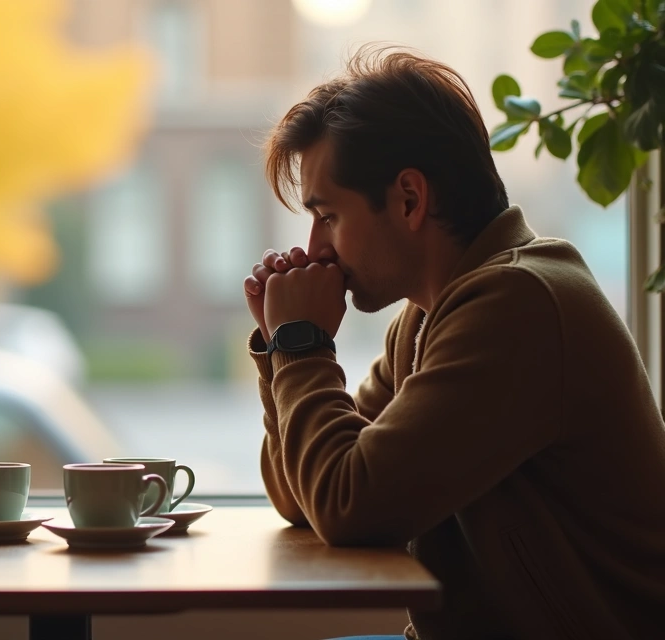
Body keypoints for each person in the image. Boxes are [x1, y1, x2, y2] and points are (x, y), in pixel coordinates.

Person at [244, 47, 665, 639]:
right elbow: (302, 496)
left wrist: (302, 342)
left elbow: (347, 505)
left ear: (410, 199)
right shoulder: (425, 318)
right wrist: (280, 352)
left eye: (328, 216)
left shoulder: (519, 304)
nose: (315, 249)